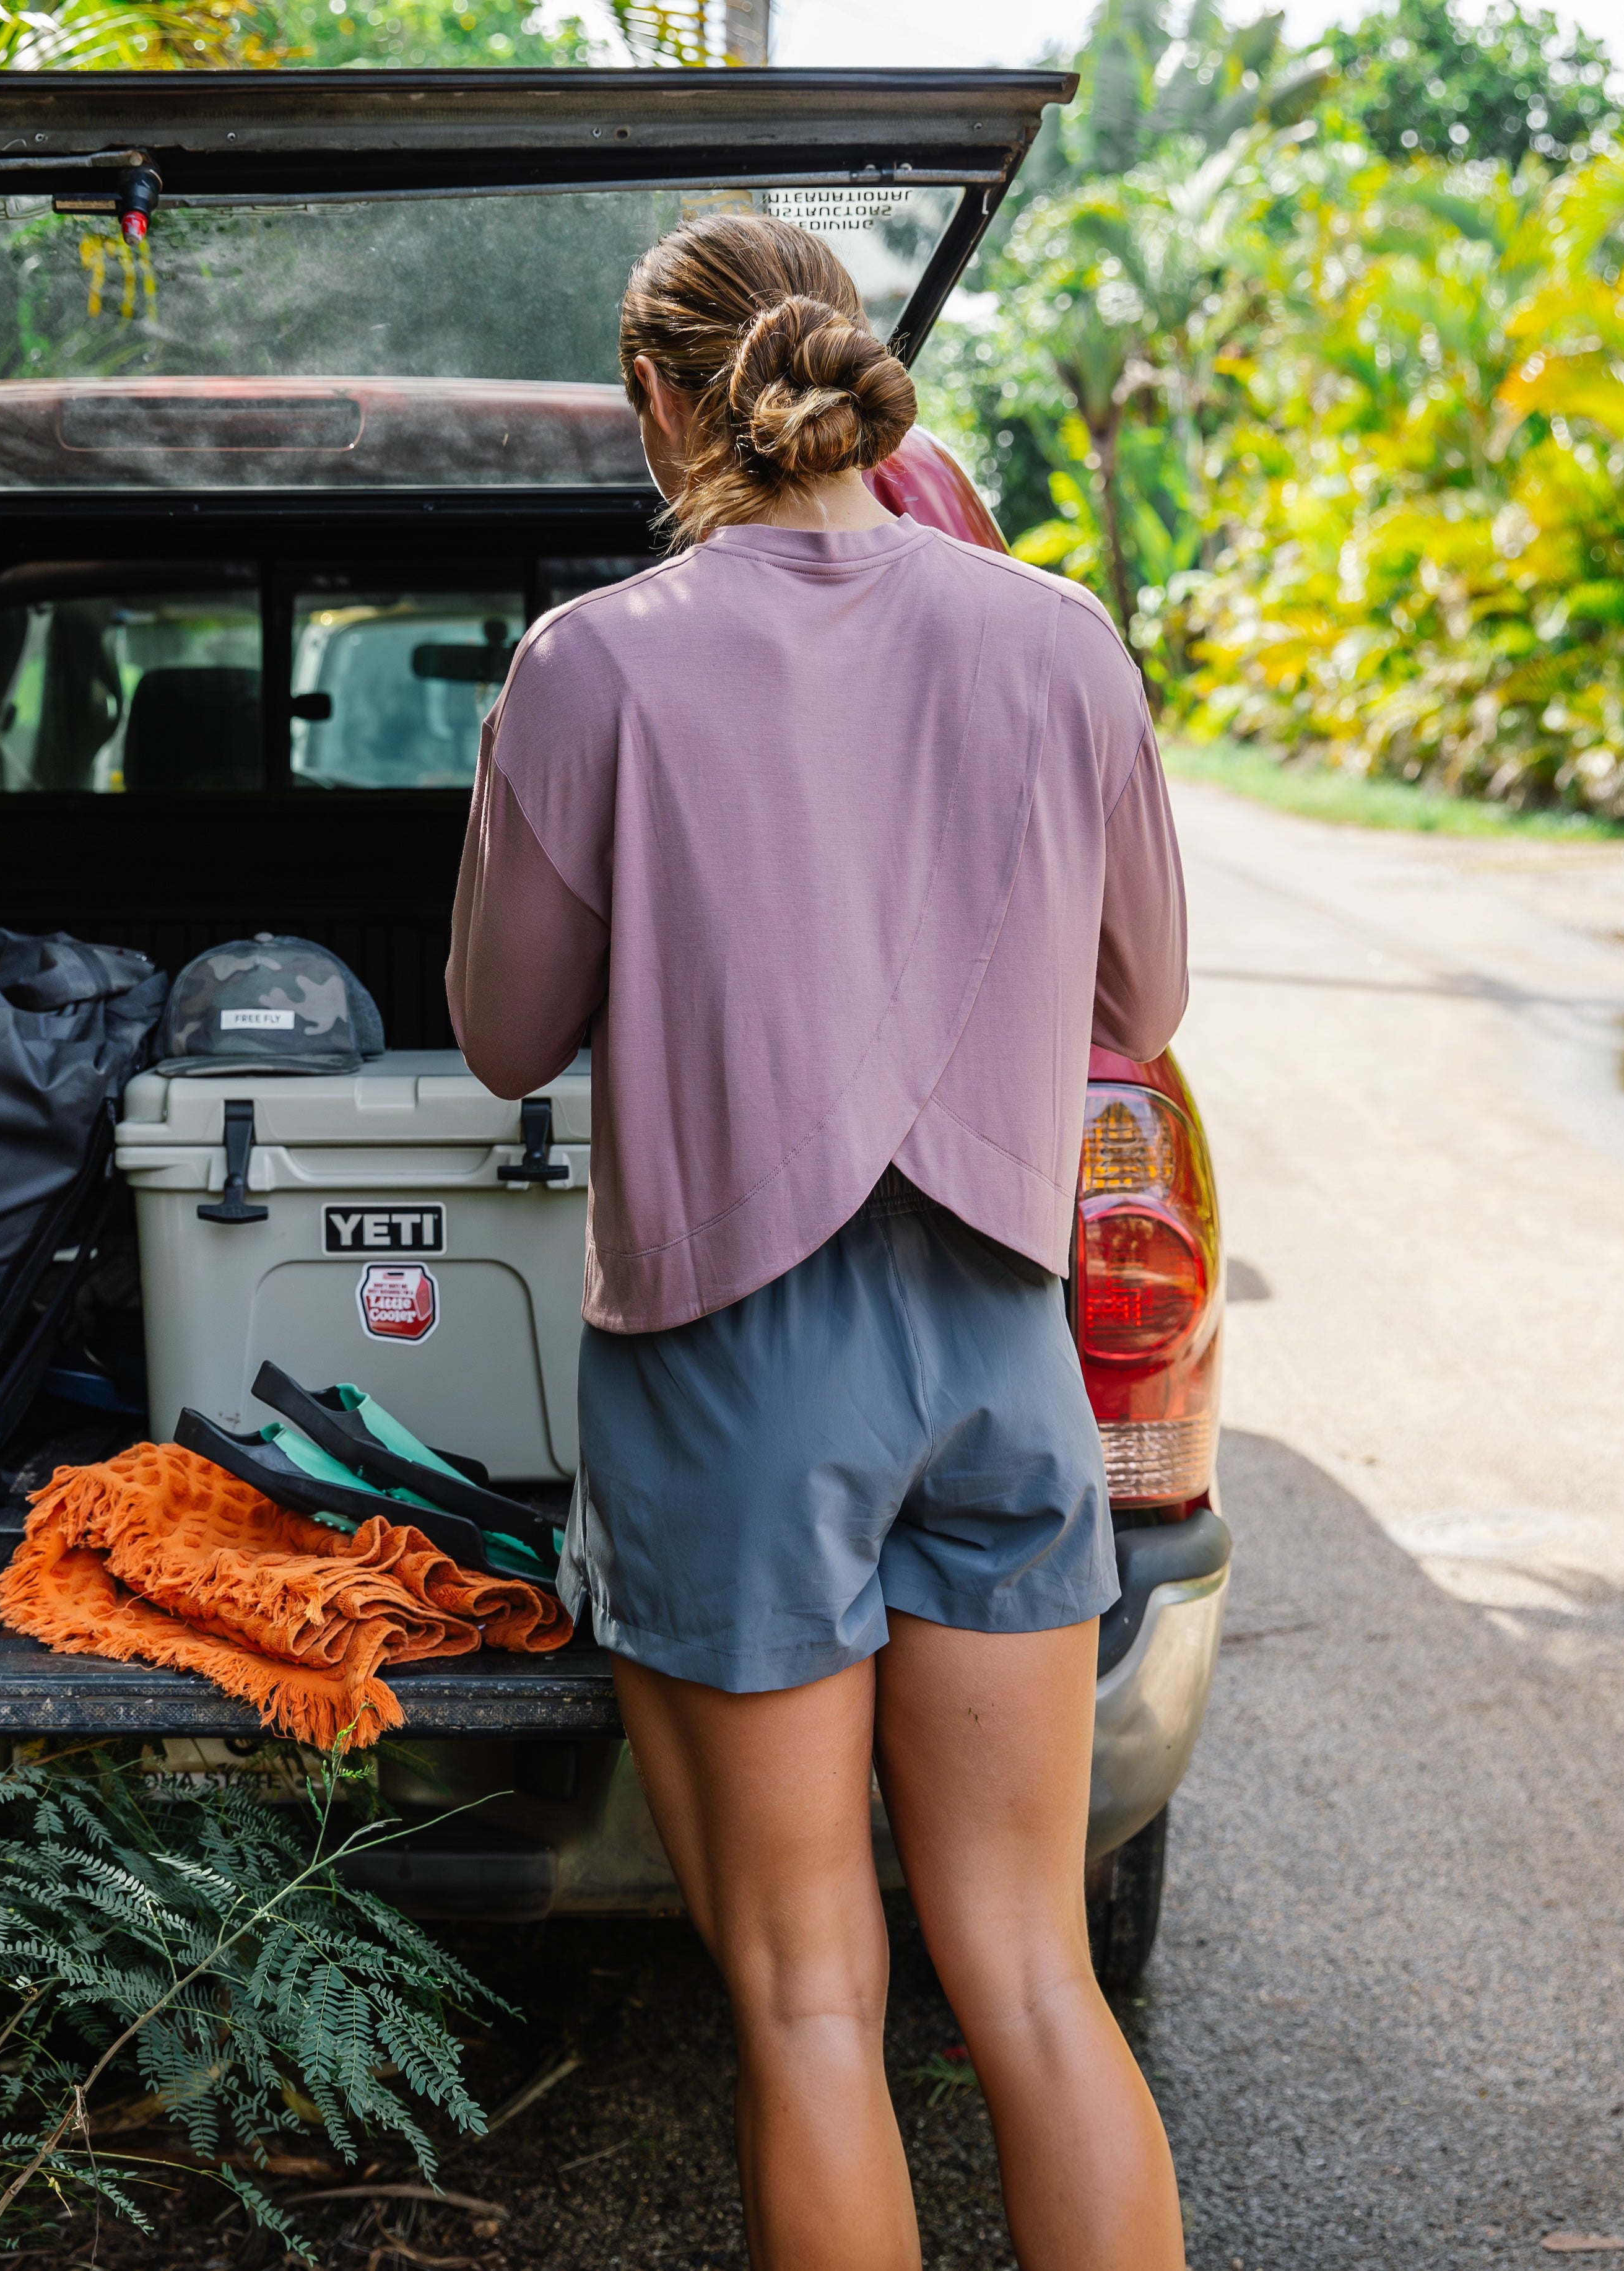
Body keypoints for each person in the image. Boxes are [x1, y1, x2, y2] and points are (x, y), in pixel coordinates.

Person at [446, 212, 1191, 2270]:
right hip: (998, 1351)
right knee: (1032, 1972)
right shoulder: (1058, 637)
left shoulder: (592, 663)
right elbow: (1143, 997)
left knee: (808, 1999)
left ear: (656, 405)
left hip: (732, 1362)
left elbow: (503, 1040)